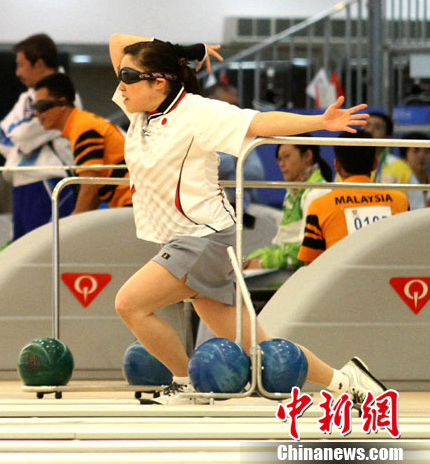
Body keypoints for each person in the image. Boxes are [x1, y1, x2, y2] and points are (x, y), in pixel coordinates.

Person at [109, 34, 386, 405]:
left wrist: (320, 120)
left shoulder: (198, 113)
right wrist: (186, 51)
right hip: (185, 238)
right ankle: (347, 382)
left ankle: (185, 383)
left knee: (130, 303)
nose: (120, 83)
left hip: (203, 237)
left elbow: (261, 121)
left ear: (158, 82)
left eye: (128, 76)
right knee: (258, 347)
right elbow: (118, 41)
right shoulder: (138, 109)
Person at [0, 33, 79, 239]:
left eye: (21, 65)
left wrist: (18, 135)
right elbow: (1, 138)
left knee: (47, 248)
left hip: (49, 182)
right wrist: (20, 135)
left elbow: (22, 135)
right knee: (23, 249)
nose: (17, 73)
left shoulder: (65, 96)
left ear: (39, 64)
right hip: (21, 183)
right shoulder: (26, 97)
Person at [297, 130, 409, 264]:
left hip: (340, 277)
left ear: (337, 166)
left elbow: (310, 263)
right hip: (390, 276)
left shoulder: (319, 207)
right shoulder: (400, 201)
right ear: (375, 163)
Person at [32, 72, 132, 213]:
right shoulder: (82, 123)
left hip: (133, 204)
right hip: (131, 203)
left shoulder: (83, 127)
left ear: (62, 103)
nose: (36, 113)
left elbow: (89, 187)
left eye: (42, 106)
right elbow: (94, 188)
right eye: (34, 108)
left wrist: (72, 222)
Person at [243, 136, 331, 271]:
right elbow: (280, 245)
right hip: (289, 269)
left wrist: (261, 263)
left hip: (303, 272)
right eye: (279, 159)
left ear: (307, 156)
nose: (282, 164)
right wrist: (252, 259)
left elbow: (305, 252)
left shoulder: (316, 193)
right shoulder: (291, 194)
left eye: (286, 157)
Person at [205, 83, 266, 206]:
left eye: (235, 105)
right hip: (207, 203)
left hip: (244, 206)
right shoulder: (201, 131)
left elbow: (257, 173)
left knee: (271, 217)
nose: (233, 111)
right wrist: (234, 161)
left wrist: (225, 178)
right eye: (227, 105)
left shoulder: (242, 133)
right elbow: (203, 166)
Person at [363, 112, 425, 210]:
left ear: (388, 138)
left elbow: (417, 207)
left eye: (377, 127)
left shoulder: (401, 168)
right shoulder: (347, 164)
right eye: (367, 126)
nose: (370, 130)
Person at [400, 131, 430, 208]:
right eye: (416, 150)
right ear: (405, 156)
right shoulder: (398, 185)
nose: (422, 155)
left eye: (426, 151)